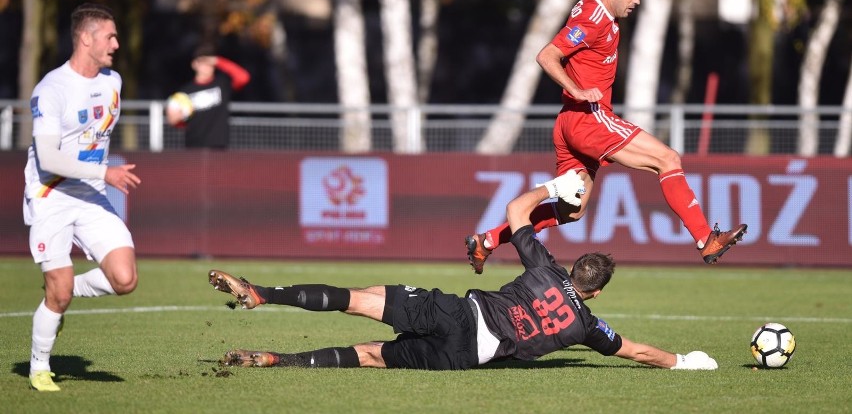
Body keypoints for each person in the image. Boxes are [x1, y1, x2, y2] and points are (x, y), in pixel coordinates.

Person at [208, 171, 718, 372]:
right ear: (598, 292)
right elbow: (638, 351)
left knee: (356, 298)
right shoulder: (587, 326)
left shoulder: (544, 265)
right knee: (369, 357)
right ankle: (281, 359)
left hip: (458, 310)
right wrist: (685, 361)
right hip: (465, 353)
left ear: (574, 266)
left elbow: (517, 214)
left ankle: (262, 292)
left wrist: (554, 187)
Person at [465, 0, 747, 274]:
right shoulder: (591, 21)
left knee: (572, 210)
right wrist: (578, 89)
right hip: (589, 118)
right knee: (667, 159)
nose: (637, 0)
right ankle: (706, 239)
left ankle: (488, 241)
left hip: (568, 123)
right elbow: (547, 55)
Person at [24, 4, 142, 391]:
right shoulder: (51, 89)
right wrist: (104, 172)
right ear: (85, 37)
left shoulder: (113, 82)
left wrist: (99, 174)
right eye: (109, 36)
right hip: (50, 195)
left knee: (124, 279)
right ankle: (39, 368)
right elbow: (49, 157)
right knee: (55, 295)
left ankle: (66, 287)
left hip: (89, 194)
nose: (116, 44)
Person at [165, 44, 250, 149]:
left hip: (218, 146)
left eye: (209, 64)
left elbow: (243, 77)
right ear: (194, 64)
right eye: (203, 63)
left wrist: (218, 61)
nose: (207, 67)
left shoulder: (222, 84)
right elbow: (178, 121)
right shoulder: (185, 92)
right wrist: (176, 120)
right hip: (193, 146)